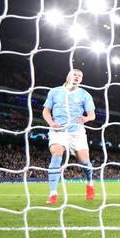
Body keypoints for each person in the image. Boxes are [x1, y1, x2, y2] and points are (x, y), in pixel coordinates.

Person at [41, 69, 96, 205]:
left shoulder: (85, 94)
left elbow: (92, 115)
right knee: (57, 153)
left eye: (80, 76)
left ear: (81, 80)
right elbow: (46, 111)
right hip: (59, 130)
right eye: (75, 75)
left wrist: (86, 118)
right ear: (68, 76)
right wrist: (51, 123)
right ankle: (53, 193)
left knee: (84, 162)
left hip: (77, 132)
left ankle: (90, 183)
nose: (77, 77)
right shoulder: (54, 91)